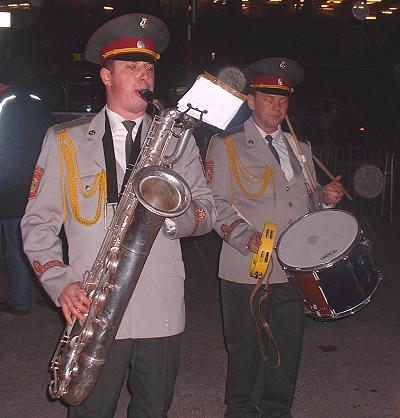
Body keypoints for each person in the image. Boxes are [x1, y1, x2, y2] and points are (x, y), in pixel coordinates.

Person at [21, 13, 215, 418]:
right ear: (106, 76)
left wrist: (170, 217)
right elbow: (38, 224)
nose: (143, 76)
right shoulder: (65, 141)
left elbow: (206, 210)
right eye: (131, 67)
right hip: (93, 307)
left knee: (153, 410)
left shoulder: (178, 144)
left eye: (148, 68)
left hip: (161, 309)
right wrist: (60, 283)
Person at [205, 57, 344, 417]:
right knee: (246, 349)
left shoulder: (301, 147)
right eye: (268, 98)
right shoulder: (226, 145)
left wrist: (325, 199)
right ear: (250, 101)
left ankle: (277, 411)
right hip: (246, 267)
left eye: (283, 100)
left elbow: (307, 200)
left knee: (286, 348)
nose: (277, 106)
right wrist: (247, 238)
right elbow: (215, 202)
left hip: (294, 269)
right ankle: (240, 411)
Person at [0, 62, 55, 315]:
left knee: (15, 243)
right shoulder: (38, 101)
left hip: (12, 186)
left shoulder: (4, 104)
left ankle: (19, 301)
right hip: (41, 183)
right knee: (44, 238)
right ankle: (53, 293)